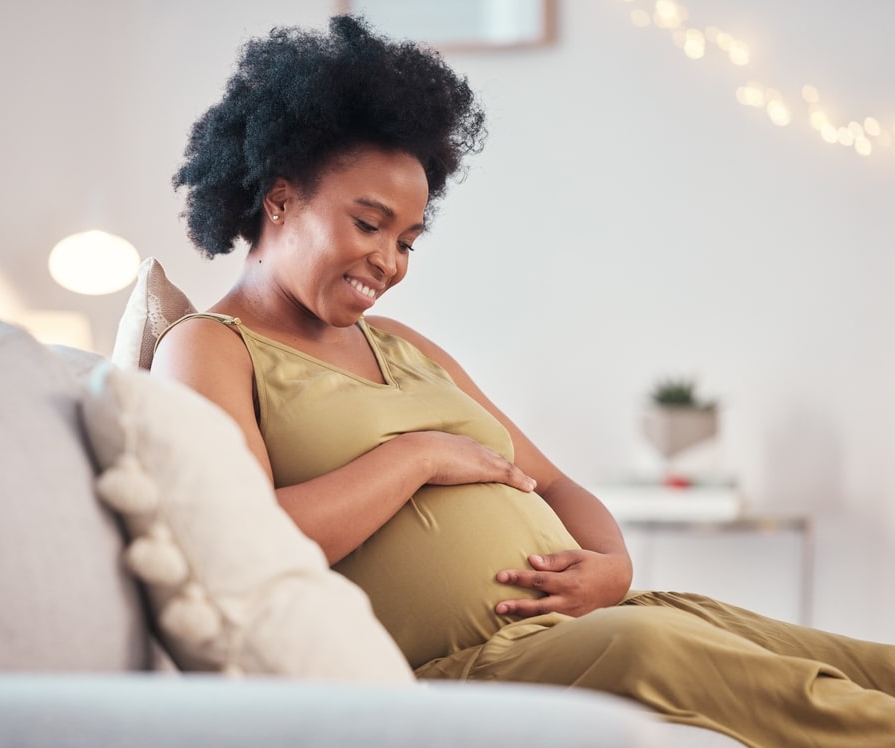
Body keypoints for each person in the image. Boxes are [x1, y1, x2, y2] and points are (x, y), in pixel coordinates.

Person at [149, 15, 895, 747]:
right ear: (280, 199)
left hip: (591, 625)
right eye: (369, 224)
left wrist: (612, 566)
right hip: (472, 667)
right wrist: (418, 455)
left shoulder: (402, 344)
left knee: (863, 665)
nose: (390, 262)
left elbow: (557, 487)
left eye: (408, 240)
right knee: (680, 659)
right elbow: (243, 539)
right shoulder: (212, 349)